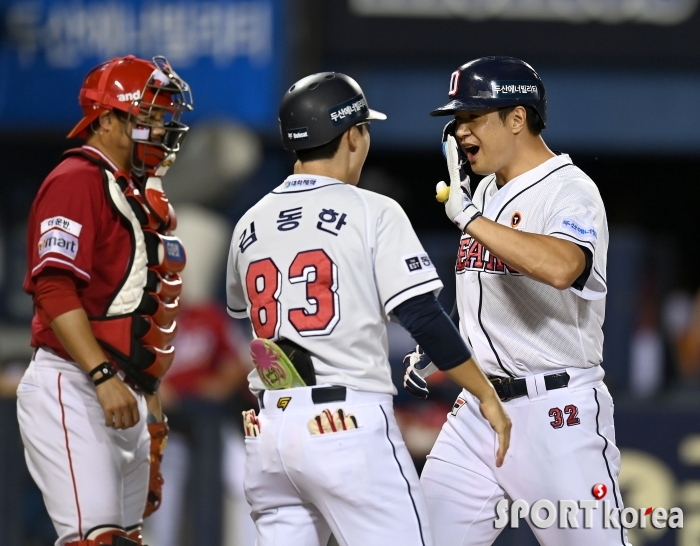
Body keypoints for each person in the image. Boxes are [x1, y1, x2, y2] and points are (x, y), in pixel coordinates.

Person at [225, 72, 511, 546]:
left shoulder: (248, 222)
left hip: (268, 434)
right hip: (345, 426)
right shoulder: (371, 210)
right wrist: (485, 393)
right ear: (352, 135)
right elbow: (422, 318)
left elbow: (247, 322)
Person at [403, 56, 630, 545]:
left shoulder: (569, 189)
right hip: (479, 412)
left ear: (516, 118)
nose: (460, 133)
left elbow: (563, 267)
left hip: (557, 411)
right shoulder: (482, 193)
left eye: (471, 118)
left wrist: (471, 221)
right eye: (456, 120)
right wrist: (453, 348)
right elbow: (494, 293)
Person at [17, 54, 193, 546]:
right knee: (96, 541)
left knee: (125, 540)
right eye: (150, 118)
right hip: (74, 381)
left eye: (163, 119)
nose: (161, 130)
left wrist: (151, 401)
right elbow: (53, 286)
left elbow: (144, 308)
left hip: (125, 390)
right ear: (110, 119)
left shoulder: (137, 191)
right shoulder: (76, 179)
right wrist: (99, 376)